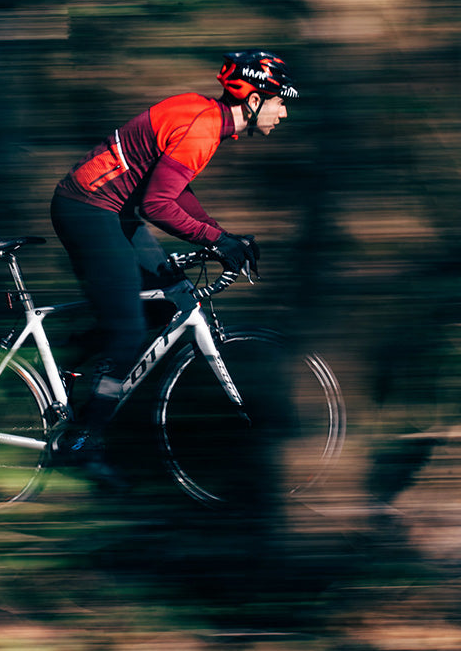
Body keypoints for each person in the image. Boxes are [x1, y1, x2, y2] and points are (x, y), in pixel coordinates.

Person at [50, 50, 299, 466]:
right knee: (128, 334)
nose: (284, 113)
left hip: (112, 211)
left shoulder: (204, 115)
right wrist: (217, 240)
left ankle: (69, 361)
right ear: (253, 101)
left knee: (169, 300)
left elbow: (174, 188)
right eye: (279, 102)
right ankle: (82, 440)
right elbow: (158, 206)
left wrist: (223, 235)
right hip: (88, 210)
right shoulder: (203, 127)